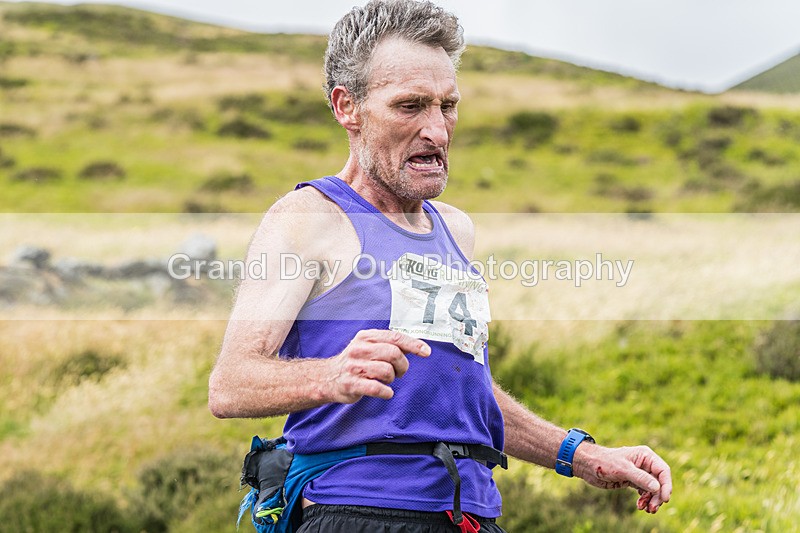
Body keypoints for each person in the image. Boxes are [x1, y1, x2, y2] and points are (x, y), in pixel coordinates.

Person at [208, 1, 672, 531]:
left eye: (447, 106)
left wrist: (582, 455)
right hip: (355, 510)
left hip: (469, 512)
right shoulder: (310, 216)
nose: (438, 130)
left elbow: (460, 391)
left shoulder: (456, 230)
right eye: (410, 106)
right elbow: (230, 384)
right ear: (347, 107)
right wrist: (330, 374)